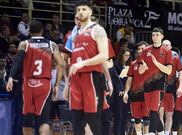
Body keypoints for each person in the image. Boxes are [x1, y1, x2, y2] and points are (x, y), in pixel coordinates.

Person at [6, 20, 63, 135]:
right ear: (42, 31)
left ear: (30, 32)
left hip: (28, 84)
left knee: (27, 119)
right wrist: (56, 85)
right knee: (44, 120)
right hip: (44, 84)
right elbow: (61, 64)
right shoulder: (52, 45)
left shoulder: (24, 44)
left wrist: (11, 77)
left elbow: (17, 61)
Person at [67, 1, 109, 135]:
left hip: (91, 77)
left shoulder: (97, 29)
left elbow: (104, 55)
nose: (80, 12)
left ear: (90, 12)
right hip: (75, 80)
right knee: (76, 119)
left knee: (92, 119)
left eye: (84, 9)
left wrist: (83, 63)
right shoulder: (75, 34)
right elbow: (72, 61)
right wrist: (68, 84)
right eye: (78, 10)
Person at [139, 27, 172, 135]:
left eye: (157, 35)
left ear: (162, 36)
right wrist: (143, 68)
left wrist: (156, 63)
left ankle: (151, 133)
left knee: (153, 111)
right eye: (153, 35)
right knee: (152, 112)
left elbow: (168, 71)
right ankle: (161, 133)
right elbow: (140, 71)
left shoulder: (167, 51)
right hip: (147, 85)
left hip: (159, 85)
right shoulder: (145, 50)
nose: (155, 37)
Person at [123, 41, 150, 135]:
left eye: (142, 49)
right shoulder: (133, 63)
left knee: (147, 120)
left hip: (147, 95)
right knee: (137, 119)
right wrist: (126, 92)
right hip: (135, 95)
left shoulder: (152, 63)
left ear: (147, 50)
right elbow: (129, 79)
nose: (140, 51)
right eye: (139, 49)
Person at [159, 40, 182, 135]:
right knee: (160, 112)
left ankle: (166, 132)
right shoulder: (158, 57)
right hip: (159, 88)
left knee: (169, 114)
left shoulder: (175, 58)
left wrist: (180, 87)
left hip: (171, 89)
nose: (165, 46)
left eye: (167, 45)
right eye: (163, 45)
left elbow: (180, 73)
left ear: (170, 46)